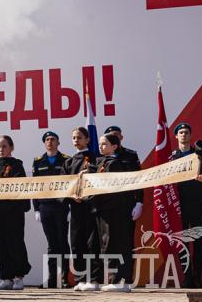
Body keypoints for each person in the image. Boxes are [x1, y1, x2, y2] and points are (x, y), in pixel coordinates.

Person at [85, 134, 134, 292]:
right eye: (100, 144)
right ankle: (114, 279)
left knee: (116, 243)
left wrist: (94, 199)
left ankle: (121, 281)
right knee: (107, 244)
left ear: (114, 146)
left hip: (113, 210)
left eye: (105, 144)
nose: (101, 147)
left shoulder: (115, 164)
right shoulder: (101, 162)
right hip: (102, 210)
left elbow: (109, 190)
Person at [0, 135, 31, 290]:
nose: (1, 149)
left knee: (15, 242)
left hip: (14, 211)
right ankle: (6, 277)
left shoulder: (17, 165)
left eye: (4, 146)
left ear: (11, 147)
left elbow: (21, 186)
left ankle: (18, 276)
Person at [170, 122, 202, 288]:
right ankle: (187, 278)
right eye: (181, 132)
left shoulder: (199, 156)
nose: (184, 135)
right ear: (176, 136)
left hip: (197, 205)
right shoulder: (171, 158)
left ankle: (197, 278)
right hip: (179, 206)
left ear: (190, 135)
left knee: (198, 243)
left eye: (186, 132)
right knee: (183, 244)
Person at [62, 126, 101, 291]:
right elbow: (63, 185)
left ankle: (94, 279)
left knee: (92, 243)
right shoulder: (68, 162)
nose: (76, 140)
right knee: (76, 244)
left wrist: (87, 196)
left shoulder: (95, 159)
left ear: (87, 139)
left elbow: (99, 182)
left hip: (91, 208)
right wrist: (72, 196)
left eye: (79, 137)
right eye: (74, 138)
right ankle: (80, 279)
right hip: (76, 209)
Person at [32, 131, 70, 288]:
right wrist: (36, 209)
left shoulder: (66, 160)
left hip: (62, 207)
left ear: (58, 142)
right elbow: (34, 187)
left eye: (53, 139)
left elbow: (71, 184)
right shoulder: (38, 162)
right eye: (47, 140)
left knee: (62, 242)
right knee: (52, 244)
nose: (50, 142)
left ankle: (65, 278)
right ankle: (52, 279)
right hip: (45, 207)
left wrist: (70, 207)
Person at [103, 125, 143, 276]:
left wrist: (139, 202)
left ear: (121, 138)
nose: (114, 137)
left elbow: (138, 179)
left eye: (116, 135)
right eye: (110, 136)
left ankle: (126, 277)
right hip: (107, 206)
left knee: (126, 242)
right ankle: (113, 277)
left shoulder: (130, 155)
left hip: (126, 204)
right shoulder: (101, 157)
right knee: (109, 241)